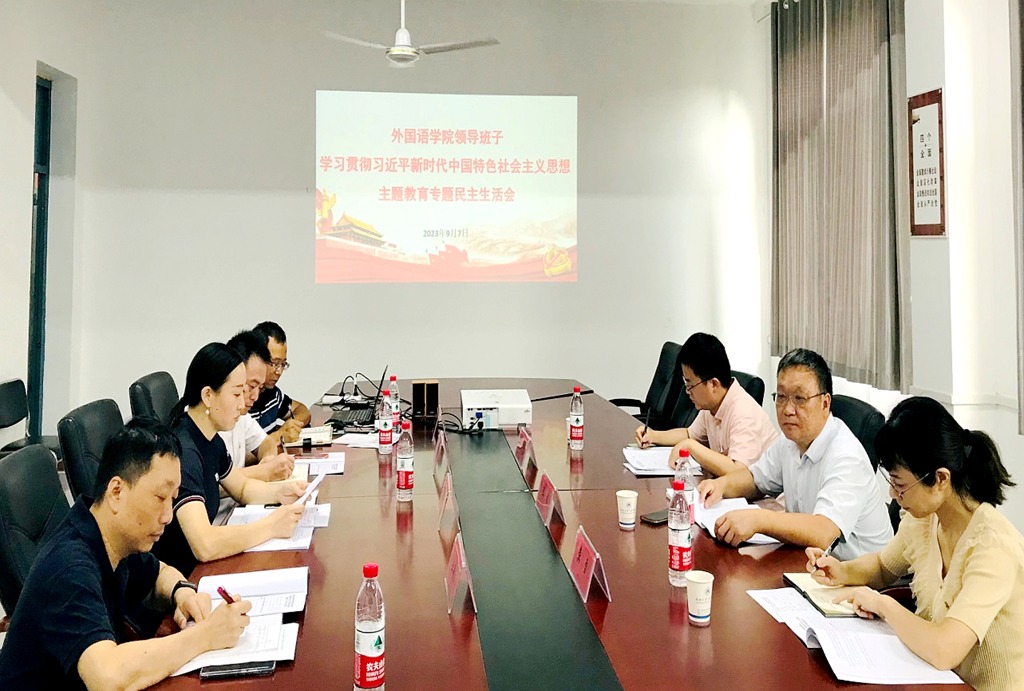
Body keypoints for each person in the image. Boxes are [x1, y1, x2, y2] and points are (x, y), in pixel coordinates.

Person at [0, 418, 253, 690]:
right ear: (116, 492)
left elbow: (158, 574)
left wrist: (182, 592)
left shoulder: (113, 533)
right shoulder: (70, 568)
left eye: (173, 498)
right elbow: (108, 677)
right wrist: (206, 636)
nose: (168, 516)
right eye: (160, 497)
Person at [805, 397, 1023, 691]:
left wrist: (883, 604)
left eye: (900, 485)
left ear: (940, 479)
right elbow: (883, 567)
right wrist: (842, 571)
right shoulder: (925, 518)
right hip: (934, 680)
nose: (893, 495)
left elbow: (945, 651)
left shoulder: (992, 547)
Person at [698, 348, 892, 558]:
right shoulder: (790, 441)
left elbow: (825, 532)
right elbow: (756, 480)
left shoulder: (846, 457)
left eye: (799, 398)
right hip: (807, 561)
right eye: (781, 397)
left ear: (825, 403)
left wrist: (759, 520)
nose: (788, 409)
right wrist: (722, 485)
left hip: (858, 573)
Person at [152, 342, 308, 577]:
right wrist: (271, 526)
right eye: (236, 394)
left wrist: (283, 492)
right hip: (185, 577)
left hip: (204, 568)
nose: (242, 404)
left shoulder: (210, 438)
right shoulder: (184, 453)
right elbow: (205, 544)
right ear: (208, 395)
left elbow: (242, 488)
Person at [635, 332, 777, 476]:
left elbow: (738, 472)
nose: (687, 392)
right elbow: (689, 434)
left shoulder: (744, 413)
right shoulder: (712, 406)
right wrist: (653, 436)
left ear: (713, 384)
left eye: (690, 385)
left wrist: (691, 447)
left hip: (762, 491)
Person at [221, 329, 295, 482]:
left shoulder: (240, 413)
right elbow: (214, 485)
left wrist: (268, 461)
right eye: (251, 386)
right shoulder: (209, 422)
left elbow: (266, 443)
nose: (255, 396)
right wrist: (263, 471)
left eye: (260, 388)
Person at [249, 321, 310, 440]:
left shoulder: (273, 394)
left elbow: (302, 410)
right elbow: (246, 450)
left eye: (283, 364)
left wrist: (292, 426)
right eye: (274, 363)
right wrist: (280, 434)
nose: (279, 371)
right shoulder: (243, 400)